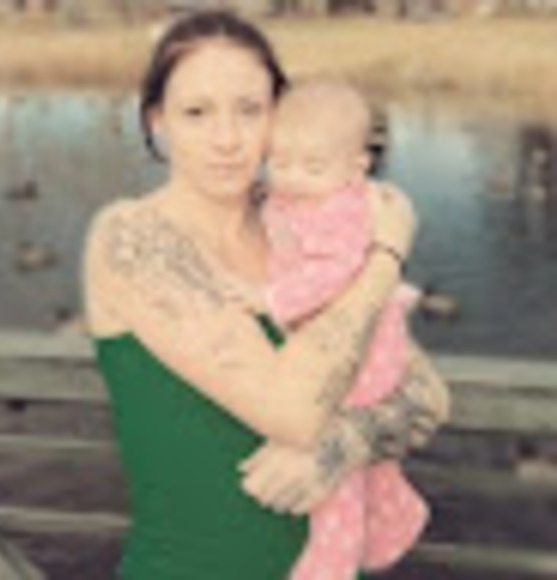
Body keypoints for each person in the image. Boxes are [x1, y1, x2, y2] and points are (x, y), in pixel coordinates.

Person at [83, 10, 449, 580]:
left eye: (249, 110)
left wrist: (344, 443)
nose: (227, 140)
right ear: (158, 121)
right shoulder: (132, 239)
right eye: (197, 112)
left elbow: (427, 394)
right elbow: (294, 416)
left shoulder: (300, 223)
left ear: (279, 114)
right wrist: (384, 261)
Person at [252, 77, 427, 580]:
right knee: (371, 466)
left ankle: (331, 565)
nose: (292, 177)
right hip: (347, 342)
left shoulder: (344, 209)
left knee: (333, 471)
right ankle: (395, 517)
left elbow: (337, 269)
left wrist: (272, 301)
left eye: (312, 167)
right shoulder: (295, 197)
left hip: (361, 357)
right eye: (279, 161)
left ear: (356, 167)